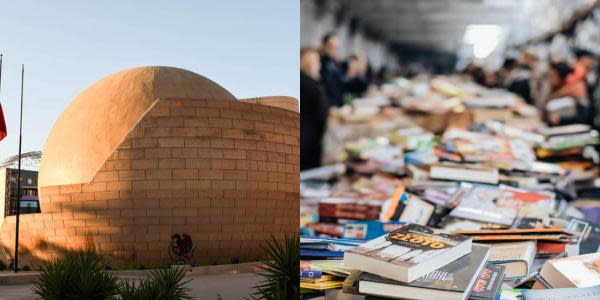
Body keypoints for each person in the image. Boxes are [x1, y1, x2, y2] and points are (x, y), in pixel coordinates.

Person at [300, 47, 328, 170]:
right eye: (317, 62)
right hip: (308, 146)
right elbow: (322, 118)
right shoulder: (314, 87)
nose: (320, 66)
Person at [319, 32, 345, 108]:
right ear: (324, 45)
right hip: (326, 106)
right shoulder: (319, 62)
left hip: (336, 105)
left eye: (336, 47)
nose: (333, 50)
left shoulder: (335, 64)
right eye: (330, 46)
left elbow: (339, 85)